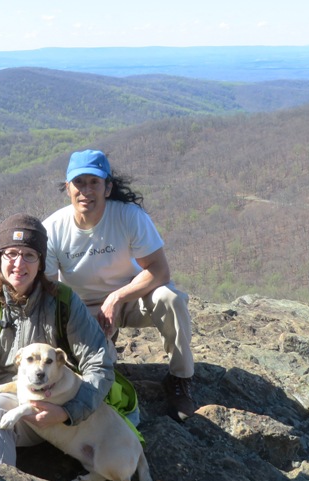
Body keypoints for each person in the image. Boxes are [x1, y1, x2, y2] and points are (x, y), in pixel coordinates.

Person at [0, 213, 114, 465]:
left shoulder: (62, 302)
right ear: (0, 258)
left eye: (29, 255)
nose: (19, 264)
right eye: (11, 253)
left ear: (41, 262)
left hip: (45, 403)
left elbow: (99, 364)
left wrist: (67, 412)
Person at [43, 149, 197, 421]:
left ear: (108, 187)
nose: (86, 191)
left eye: (94, 182)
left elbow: (159, 271)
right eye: (79, 183)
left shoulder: (128, 216)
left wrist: (115, 298)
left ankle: (180, 378)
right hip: (82, 308)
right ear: (67, 188)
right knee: (99, 364)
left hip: (130, 297)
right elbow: (50, 291)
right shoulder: (53, 229)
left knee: (170, 299)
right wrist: (80, 324)